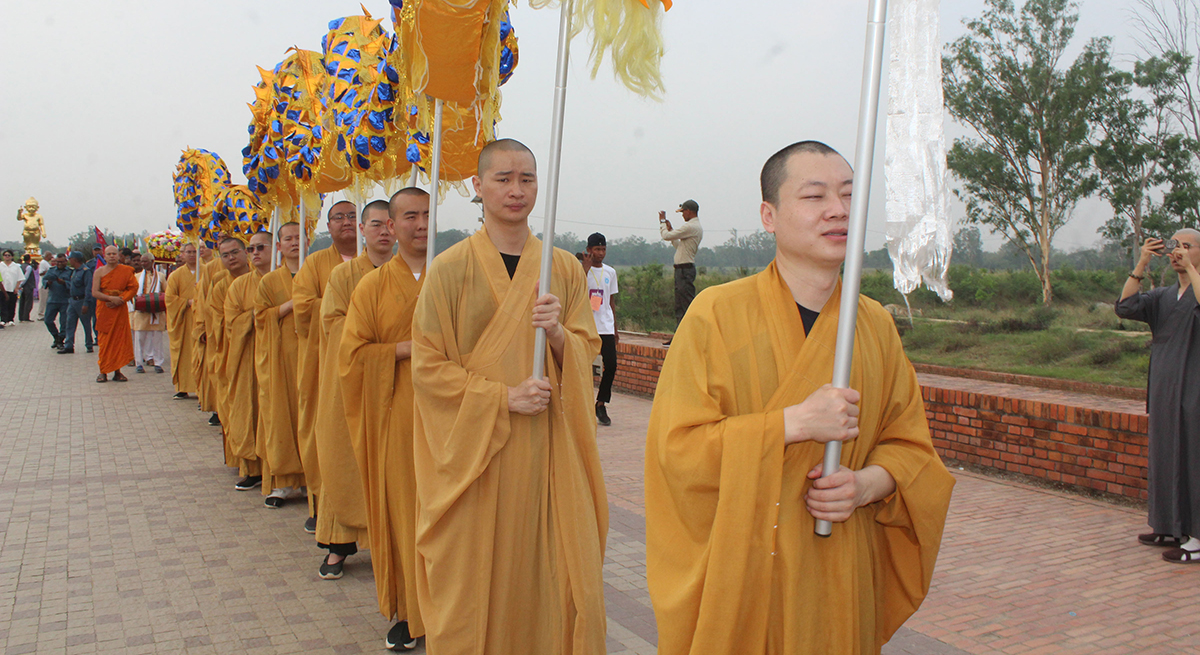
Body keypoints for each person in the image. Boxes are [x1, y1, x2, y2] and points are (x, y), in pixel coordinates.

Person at [644, 141, 955, 654]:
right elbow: (677, 452)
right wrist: (789, 424)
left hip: (837, 579)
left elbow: (910, 447)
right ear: (769, 215)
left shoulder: (873, 324)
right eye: (815, 196)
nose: (838, 209)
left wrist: (866, 485)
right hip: (743, 577)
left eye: (849, 194)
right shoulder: (715, 315)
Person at [411, 139, 607, 653]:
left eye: (527, 179)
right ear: (478, 187)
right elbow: (428, 368)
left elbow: (586, 350)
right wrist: (501, 398)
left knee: (555, 573)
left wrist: (560, 335)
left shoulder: (562, 268)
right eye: (503, 179)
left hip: (546, 453)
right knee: (476, 582)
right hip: (478, 456)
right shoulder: (450, 269)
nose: (516, 190)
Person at [340, 188, 429, 650]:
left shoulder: (454, 276)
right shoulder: (371, 287)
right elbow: (352, 357)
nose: (421, 224)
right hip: (398, 416)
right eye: (410, 216)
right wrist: (401, 350)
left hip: (454, 417)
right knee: (404, 512)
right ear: (390, 227)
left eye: (429, 215)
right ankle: (408, 611)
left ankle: (456, 609)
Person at [313, 199, 394, 580]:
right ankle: (337, 545)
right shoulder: (344, 278)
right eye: (376, 224)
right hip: (353, 382)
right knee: (345, 459)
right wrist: (383, 345)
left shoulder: (414, 274)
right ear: (363, 230)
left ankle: (392, 546)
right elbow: (333, 326)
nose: (385, 231)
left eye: (390, 224)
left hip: (397, 385)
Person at [1116, 230, 1200, 563]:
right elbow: (1125, 306)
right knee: (1165, 457)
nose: (1178, 251)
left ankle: (1195, 538)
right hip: (1165, 390)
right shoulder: (1164, 296)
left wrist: (1192, 269)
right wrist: (1142, 261)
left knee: (1193, 462)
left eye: (1186, 246)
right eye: (1174, 245)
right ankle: (1168, 525)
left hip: (1194, 390)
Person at [293, 200, 359, 534]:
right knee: (325, 432)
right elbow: (303, 309)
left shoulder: (379, 261)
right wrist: (347, 301)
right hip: (324, 363)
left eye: (352, 216)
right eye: (339, 217)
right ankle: (321, 501)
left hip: (367, 364)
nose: (346, 222)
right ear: (328, 227)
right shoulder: (315, 264)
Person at [255, 223, 307, 509]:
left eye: (299, 237)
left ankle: (313, 478)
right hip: (282, 359)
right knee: (282, 415)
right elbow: (260, 318)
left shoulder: (320, 273)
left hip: (313, 356)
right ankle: (285, 482)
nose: (294, 243)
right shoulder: (270, 282)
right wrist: (288, 307)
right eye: (288, 238)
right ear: (279, 246)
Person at [225, 232, 272, 493]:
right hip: (250, 356)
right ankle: (252, 468)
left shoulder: (288, 279)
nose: (255, 253)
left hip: (280, 356)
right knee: (250, 409)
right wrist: (261, 313)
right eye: (251, 248)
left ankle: (284, 471)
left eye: (260, 247)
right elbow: (232, 322)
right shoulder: (239, 286)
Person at [210, 236, 256, 487]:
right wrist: (254, 316)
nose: (231, 258)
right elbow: (219, 323)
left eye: (235, 252)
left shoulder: (265, 277)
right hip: (234, 354)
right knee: (239, 410)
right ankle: (247, 465)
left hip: (269, 352)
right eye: (225, 254)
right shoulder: (220, 286)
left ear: (245, 253)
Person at [582, 232, 619, 426]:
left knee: (611, 365)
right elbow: (574, 292)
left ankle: (601, 403)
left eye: (603, 249)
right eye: (597, 249)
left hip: (605, 326)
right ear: (588, 250)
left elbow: (611, 300)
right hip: (586, 326)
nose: (600, 253)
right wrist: (584, 270)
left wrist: (615, 328)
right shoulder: (581, 270)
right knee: (583, 368)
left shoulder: (610, 272)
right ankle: (581, 405)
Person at [658, 199, 703, 345]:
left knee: (685, 305)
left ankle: (689, 337)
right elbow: (679, 246)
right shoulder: (691, 228)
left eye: (683, 211)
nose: (682, 215)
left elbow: (665, 236)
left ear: (689, 211)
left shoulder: (691, 226)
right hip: (682, 270)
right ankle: (680, 336)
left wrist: (663, 223)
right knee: (680, 305)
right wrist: (671, 231)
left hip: (685, 270)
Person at [91, 245, 138, 383]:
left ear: (118, 256)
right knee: (104, 341)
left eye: (114, 254)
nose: (111, 256)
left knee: (119, 340)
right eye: (109, 254)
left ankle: (118, 371)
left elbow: (133, 288)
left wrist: (121, 299)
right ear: (104, 256)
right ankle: (103, 371)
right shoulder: (99, 272)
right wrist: (110, 299)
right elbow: (95, 292)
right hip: (105, 308)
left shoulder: (126, 270)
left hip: (119, 308)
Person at [165, 243, 198, 398]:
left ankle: (202, 387)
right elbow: (170, 299)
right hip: (183, 319)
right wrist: (187, 302)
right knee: (184, 353)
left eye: (194, 251)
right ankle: (183, 387)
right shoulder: (176, 275)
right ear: (182, 254)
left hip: (201, 318)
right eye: (188, 252)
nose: (192, 255)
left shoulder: (207, 271)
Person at [131, 254, 167, 374]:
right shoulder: (137, 277)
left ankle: (158, 362)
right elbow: (132, 294)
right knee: (139, 337)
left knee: (157, 337)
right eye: (142, 261)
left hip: (156, 311)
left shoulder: (160, 277)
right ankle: (139, 363)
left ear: (152, 261)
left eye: (145, 261)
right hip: (141, 312)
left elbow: (166, 292)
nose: (143, 264)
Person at [59, 252, 94, 354]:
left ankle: (89, 344)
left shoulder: (85, 271)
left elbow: (88, 288)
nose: (69, 261)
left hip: (82, 300)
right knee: (69, 323)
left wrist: (86, 303)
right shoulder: (74, 271)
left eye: (70, 259)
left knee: (86, 324)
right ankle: (69, 345)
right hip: (73, 300)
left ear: (75, 259)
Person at [41, 253, 71, 349]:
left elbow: (73, 285)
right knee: (48, 320)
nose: (59, 264)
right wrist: (48, 282)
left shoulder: (70, 272)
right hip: (52, 300)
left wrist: (64, 282)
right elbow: (44, 280)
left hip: (65, 300)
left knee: (64, 322)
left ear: (66, 261)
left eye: (61, 262)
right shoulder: (51, 270)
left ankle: (61, 340)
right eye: (57, 262)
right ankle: (56, 337)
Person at [0, 250, 22, 326]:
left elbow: (20, 278)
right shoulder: (1, 265)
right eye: (5, 255)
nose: (7, 257)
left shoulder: (16, 266)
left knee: (12, 304)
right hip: (2, 289)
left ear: (12, 256)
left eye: (9, 255)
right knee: (3, 305)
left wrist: (17, 288)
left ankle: (10, 319)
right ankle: (3, 319)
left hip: (12, 288)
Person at [18, 254, 36, 322]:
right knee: (28, 302)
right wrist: (21, 284)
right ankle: (26, 317)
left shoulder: (21, 266)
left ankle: (21, 316)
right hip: (28, 286)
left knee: (22, 302)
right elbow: (25, 277)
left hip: (22, 286)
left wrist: (19, 285)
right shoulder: (29, 267)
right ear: (29, 259)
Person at [37, 251, 52, 320]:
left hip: (47, 285)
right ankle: (40, 314)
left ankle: (45, 313)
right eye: (50, 255)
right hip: (43, 285)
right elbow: (41, 273)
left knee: (46, 300)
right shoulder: (43, 263)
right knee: (43, 300)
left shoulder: (47, 263)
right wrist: (49, 271)